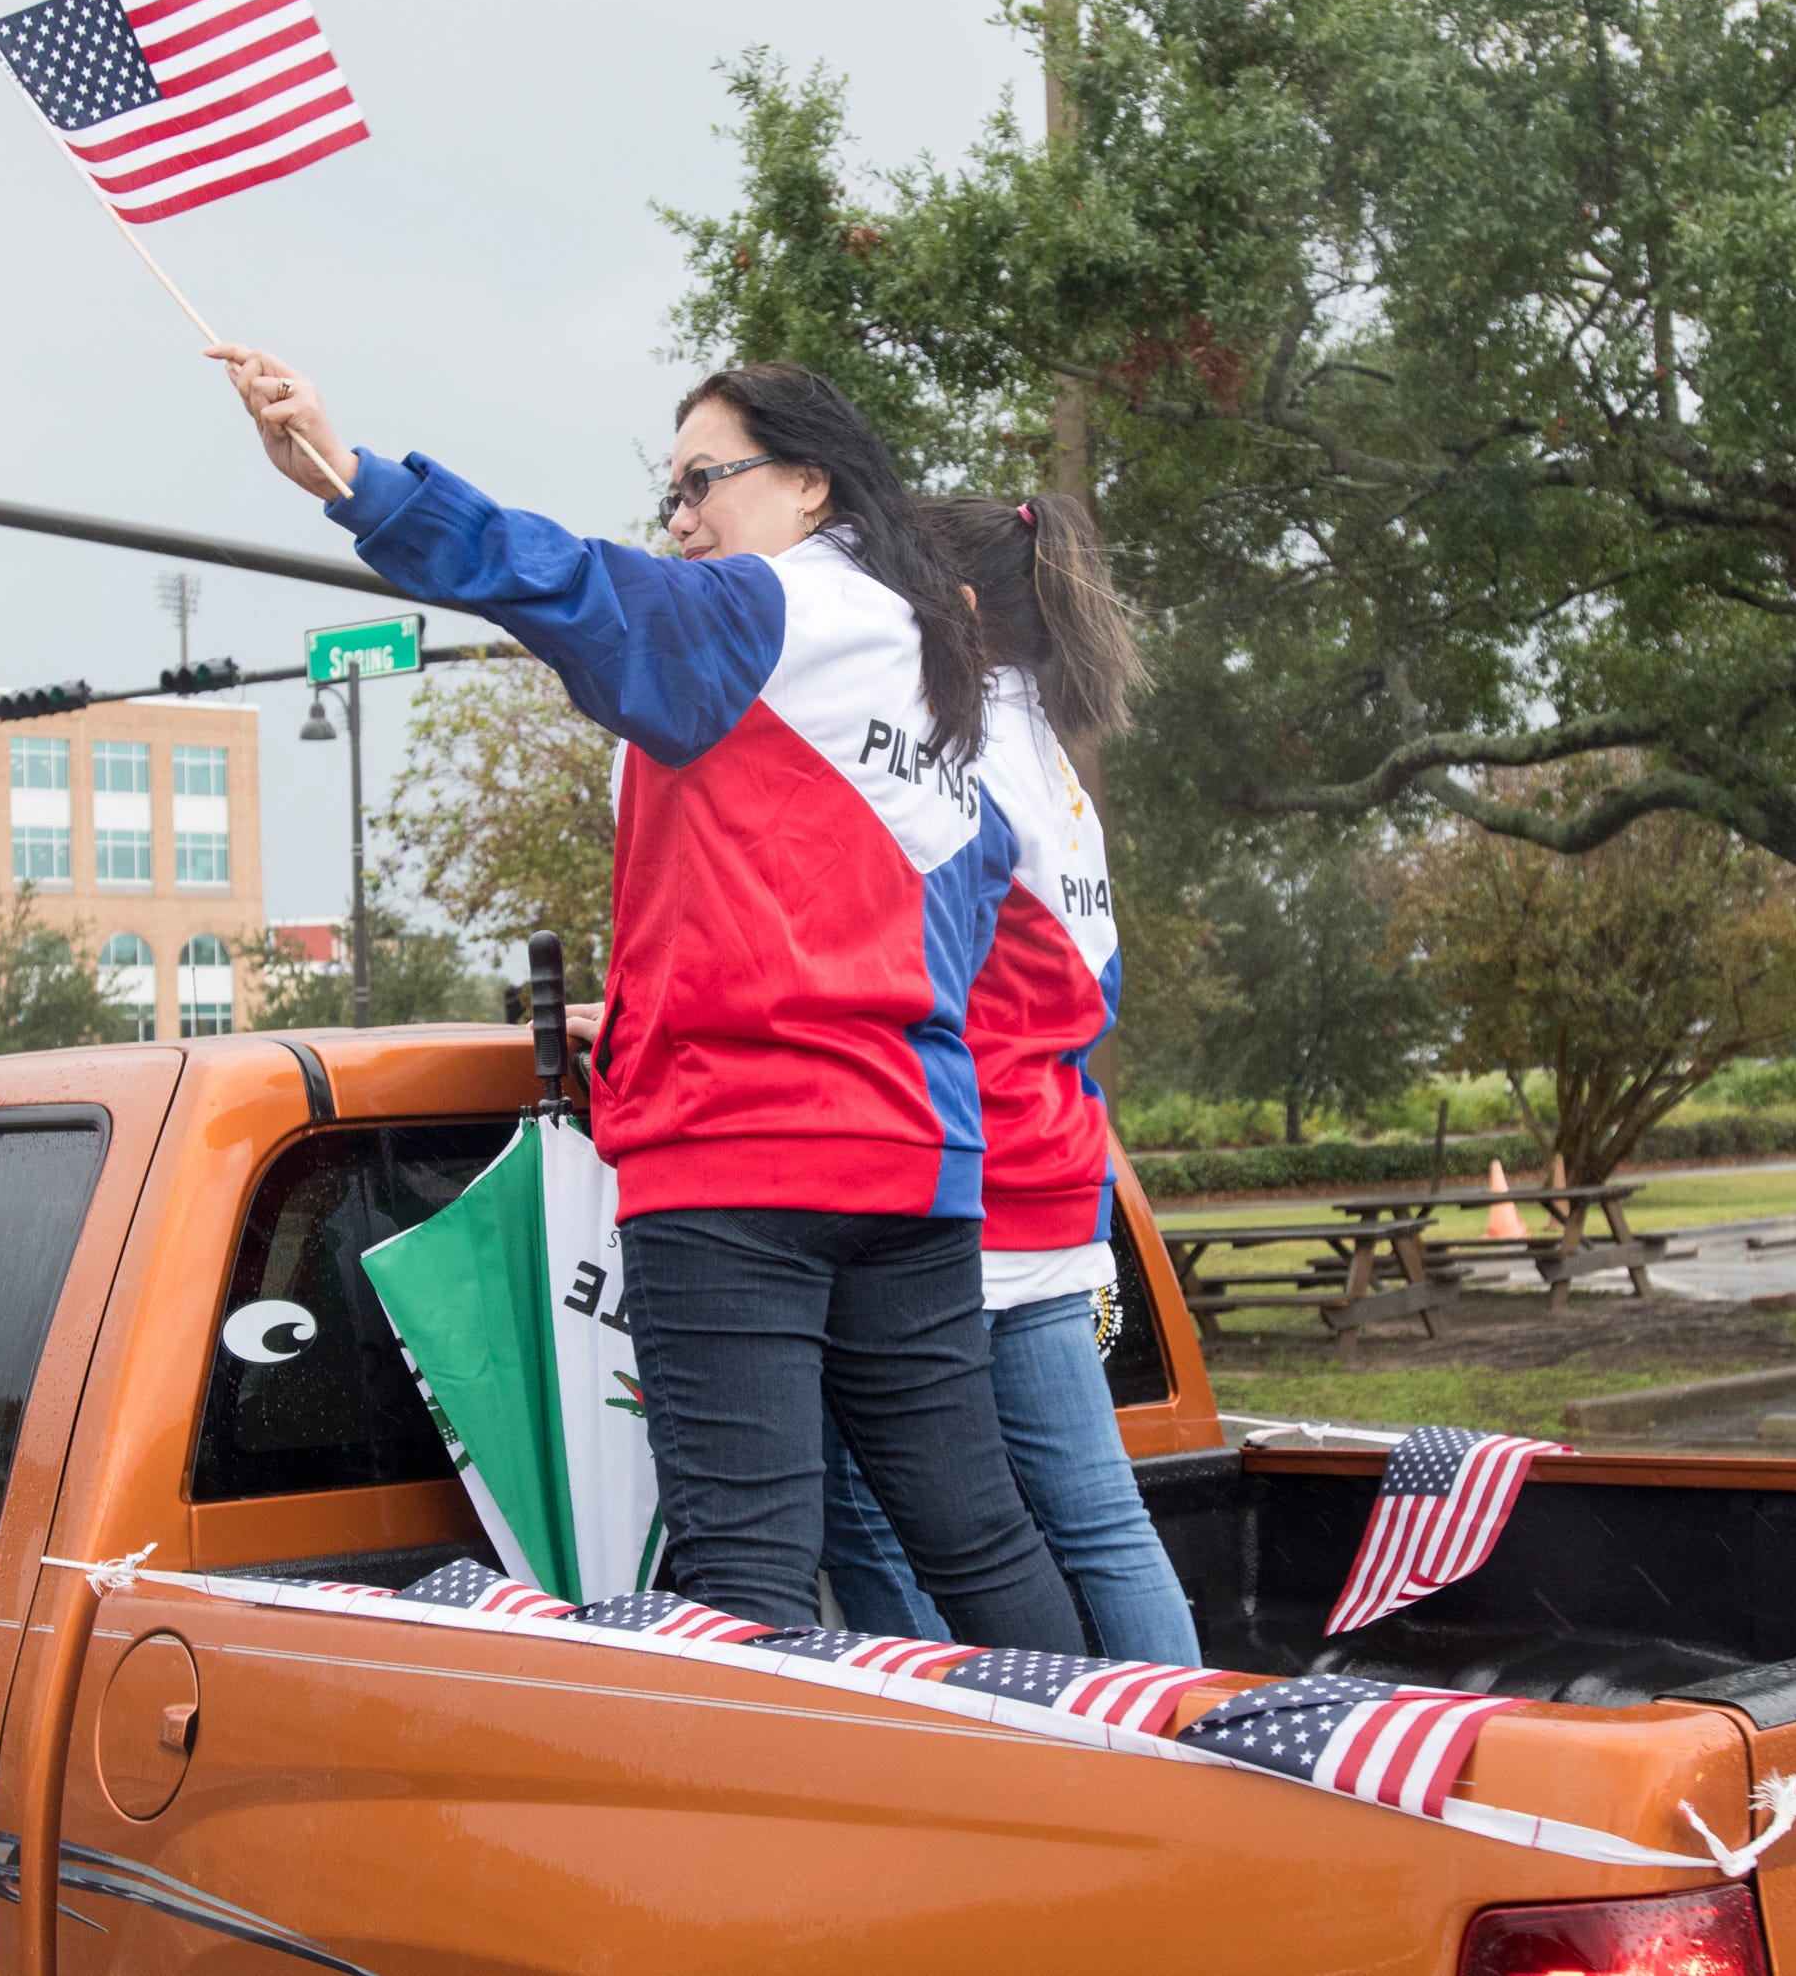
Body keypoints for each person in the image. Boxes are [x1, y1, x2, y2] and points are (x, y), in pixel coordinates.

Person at [212, 343, 1081, 1651]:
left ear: (809, 483)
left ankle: (763, 1856)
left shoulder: (775, 609)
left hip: (740, 1154)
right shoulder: (927, 668)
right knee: (976, 1530)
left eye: (700, 482)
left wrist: (355, 479)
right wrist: (641, 1012)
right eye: (667, 494)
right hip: (913, 1159)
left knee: (746, 1560)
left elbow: (565, 581)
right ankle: (1100, 1793)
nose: (677, 520)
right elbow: (885, 932)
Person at [817, 492, 1199, 1663]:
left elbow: (894, 961)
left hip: (965, 1185)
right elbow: (1096, 990)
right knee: (1097, 1516)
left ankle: (951, 1753)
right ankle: (1189, 1748)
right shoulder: (1054, 767)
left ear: (961, 606)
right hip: (1056, 1180)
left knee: (873, 1511)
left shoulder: (954, 752)